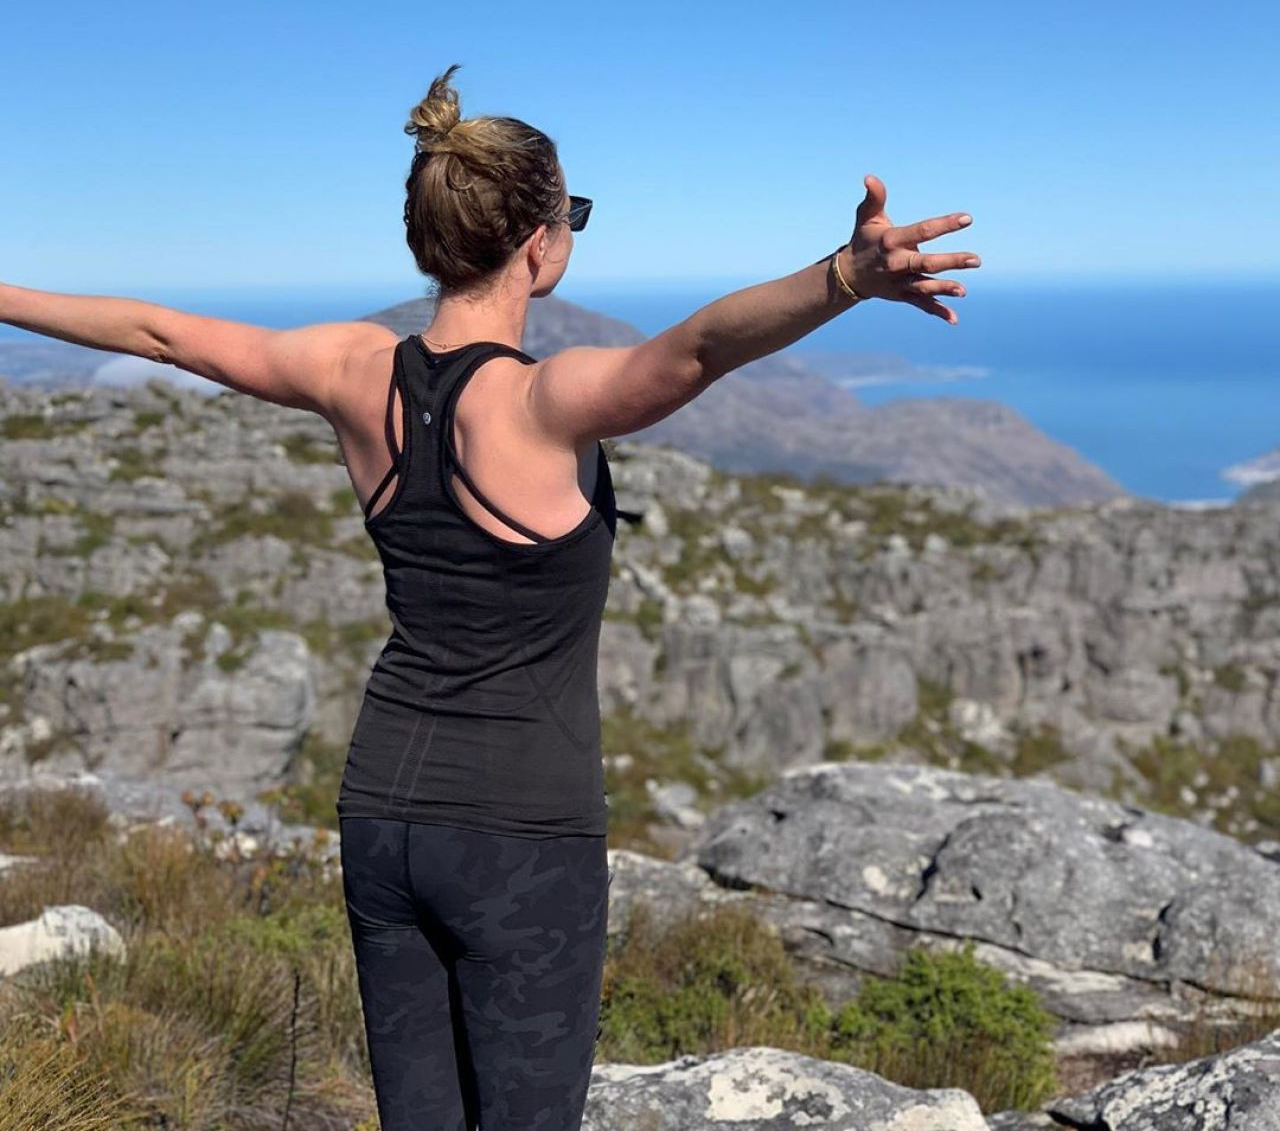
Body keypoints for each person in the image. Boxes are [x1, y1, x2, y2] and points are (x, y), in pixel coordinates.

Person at [0, 64, 978, 1130]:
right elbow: (700, 347)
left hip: (381, 810)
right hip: (521, 830)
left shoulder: (348, 368)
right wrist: (844, 275)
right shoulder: (543, 402)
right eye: (572, 218)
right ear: (539, 243)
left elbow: (159, 334)